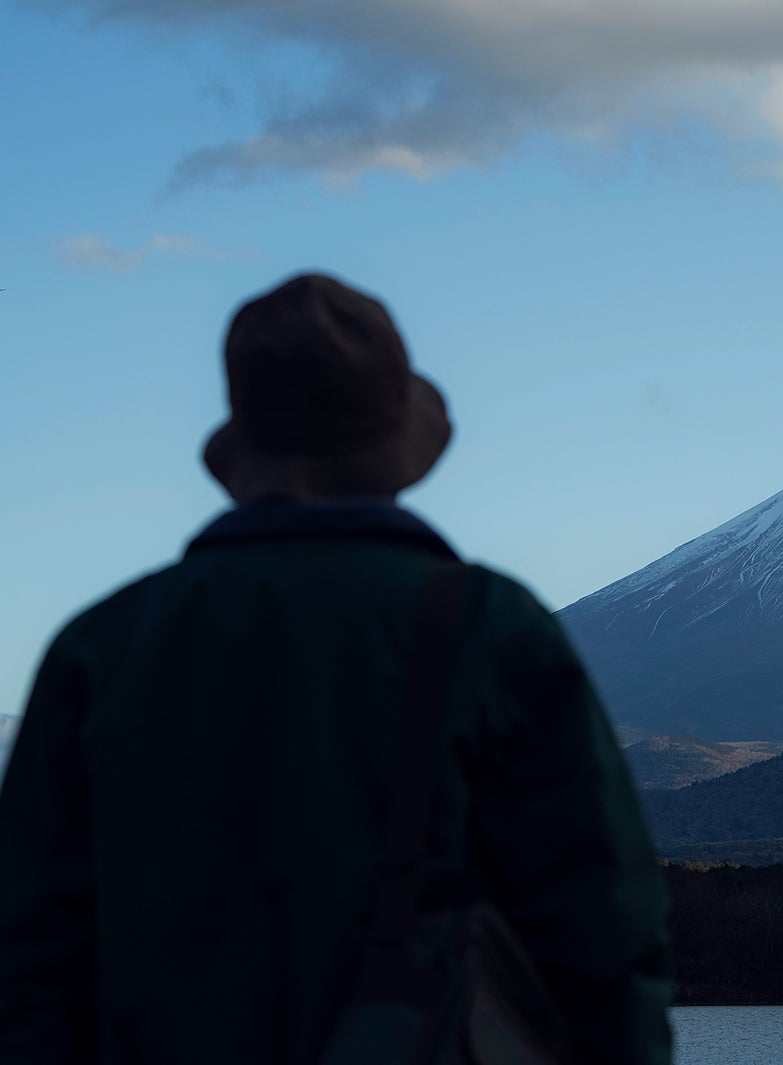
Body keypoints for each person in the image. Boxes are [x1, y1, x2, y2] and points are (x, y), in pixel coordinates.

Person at [0, 273, 673, 1064]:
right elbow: (605, 936)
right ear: (393, 443)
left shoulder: (100, 646)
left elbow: (29, 962)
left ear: (246, 445)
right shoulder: (489, 631)